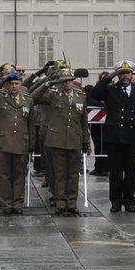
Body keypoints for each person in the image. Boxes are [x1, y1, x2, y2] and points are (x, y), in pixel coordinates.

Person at [88, 63, 135, 213]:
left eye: (128, 73)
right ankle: (115, 200)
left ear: (132, 74)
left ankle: (129, 200)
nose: (125, 76)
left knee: (131, 170)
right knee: (115, 171)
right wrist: (110, 76)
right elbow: (94, 93)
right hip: (114, 136)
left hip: (132, 135)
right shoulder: (110, 89)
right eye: (122, 73)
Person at [33, 64, 91, 215]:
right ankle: (60, 203)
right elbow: (34, 98)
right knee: (59, 174)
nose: (68, 83)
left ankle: (71, 203)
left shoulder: (81, 96)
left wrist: (86, 140)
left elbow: (84, 121)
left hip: (74, 139)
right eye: (64, 81)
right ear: (59, 82)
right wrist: (46, 84)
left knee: (73, 174)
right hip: (57, 139)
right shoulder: (52, 95)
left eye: (70, 80)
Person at [0, 68, 35, 214]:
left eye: (17, 83)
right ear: (7, 85)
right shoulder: (0, 97)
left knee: (19, 175)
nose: (14, 86)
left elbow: (31, 124)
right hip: (2, 142)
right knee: (4, 175)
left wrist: (32, 145)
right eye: (11, 84)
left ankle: (17, 203)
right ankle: (6, 203)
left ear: (21, 84)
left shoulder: (28, 100)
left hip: (21, 142)